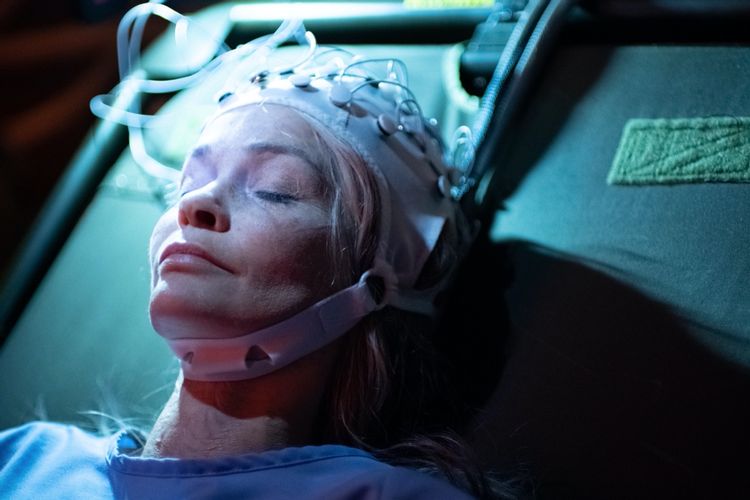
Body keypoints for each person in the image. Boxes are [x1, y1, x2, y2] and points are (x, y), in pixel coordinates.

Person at [1, 5, 516, 499]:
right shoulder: (24, 456)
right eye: (189, 184)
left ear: (376, 282)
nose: (196, 204)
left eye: (275, 189)